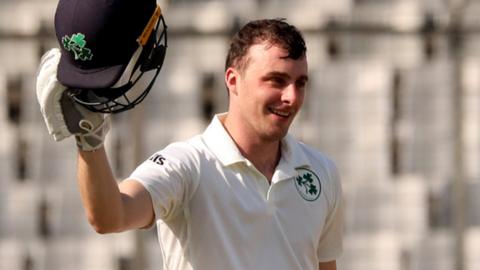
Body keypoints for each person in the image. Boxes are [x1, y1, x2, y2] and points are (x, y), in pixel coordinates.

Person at [36, 1, 344, 269]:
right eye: (276, 80)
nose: (291, 96)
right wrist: (89, 141)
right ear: (233, 81)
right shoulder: (187, 165)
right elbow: (110, 215)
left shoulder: (321, 172)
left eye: (300, 83)